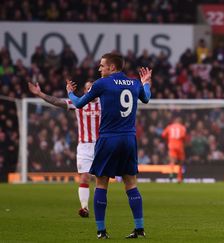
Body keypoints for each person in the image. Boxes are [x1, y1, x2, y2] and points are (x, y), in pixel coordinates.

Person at [66, 52, 152, 239]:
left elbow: (79, 104)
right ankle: (139, 228)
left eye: (102, 66)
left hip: (108, 138)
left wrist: (70, 93)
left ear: (112, 67)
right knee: (131, 182)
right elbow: (146, 98)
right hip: (129, 139)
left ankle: (101, 230)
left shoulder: (101, 84)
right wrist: (146, 82)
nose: (99, 69)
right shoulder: (134, 83)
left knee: (101, 182)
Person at [28, 80, 100, 218]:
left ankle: (99, 207)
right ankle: (84, 208)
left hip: (101, 145)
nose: (91, 90)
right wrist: (39, 93)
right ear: (85, 91)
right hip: (84, 146)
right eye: (88, 88)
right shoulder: (79, 103)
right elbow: (57, 101)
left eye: (93, 88)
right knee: (84, 177)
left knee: (100, 179)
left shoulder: (105, 104)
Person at [161, 117, 187, 182]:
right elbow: (184, 137)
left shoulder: (169, 127)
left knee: (172, 161)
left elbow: (163, 135)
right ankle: (179, 178)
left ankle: (171, 173)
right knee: (180, 162)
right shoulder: (182, 127)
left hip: (171, 145)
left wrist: (169, 138)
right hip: (179, 145)